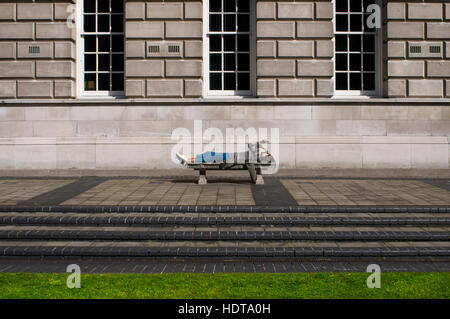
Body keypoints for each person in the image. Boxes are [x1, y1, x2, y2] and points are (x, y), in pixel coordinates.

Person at [176, 141, 272, 165]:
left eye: (265, 155)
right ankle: (187, 158)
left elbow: (254, 145)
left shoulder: (255, 156)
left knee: (209, 156)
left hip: (229, 158)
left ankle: (188, 160)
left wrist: (266, 151)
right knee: (208, 153)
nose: (263, 153)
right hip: (230, 155)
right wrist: (264, 147)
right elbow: (251, 144)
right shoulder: (254, 153)